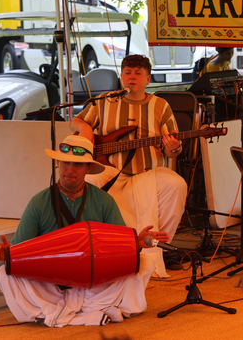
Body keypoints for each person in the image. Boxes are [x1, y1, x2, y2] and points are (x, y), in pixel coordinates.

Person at [0, 135, 169, 327]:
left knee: (145, 263)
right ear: (58, 163)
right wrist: (7, 254)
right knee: (3, 274)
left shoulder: (103, 200)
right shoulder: (39, 202)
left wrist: (136, 243)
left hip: (95, 281)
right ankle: (91, 313)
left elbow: (119, 248)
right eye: (65, 162)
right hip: (52, 282)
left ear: (89, 168)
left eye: (77, 165)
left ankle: (58, 314)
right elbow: (19, 251)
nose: (69, 170)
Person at [71, 55, 187, 278]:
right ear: (121, 76)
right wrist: (86, 130)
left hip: (148, 171)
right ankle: (98, 248)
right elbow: (76, 121)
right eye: (127, 72)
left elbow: (173, 149)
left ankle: (162, 247)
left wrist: (173, 147)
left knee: (177, 185)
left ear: (147, 79)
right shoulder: (105, 101)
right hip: (110, 170)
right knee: (89, 181)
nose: (132, 77)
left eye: (138, 73)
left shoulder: (160, 105)